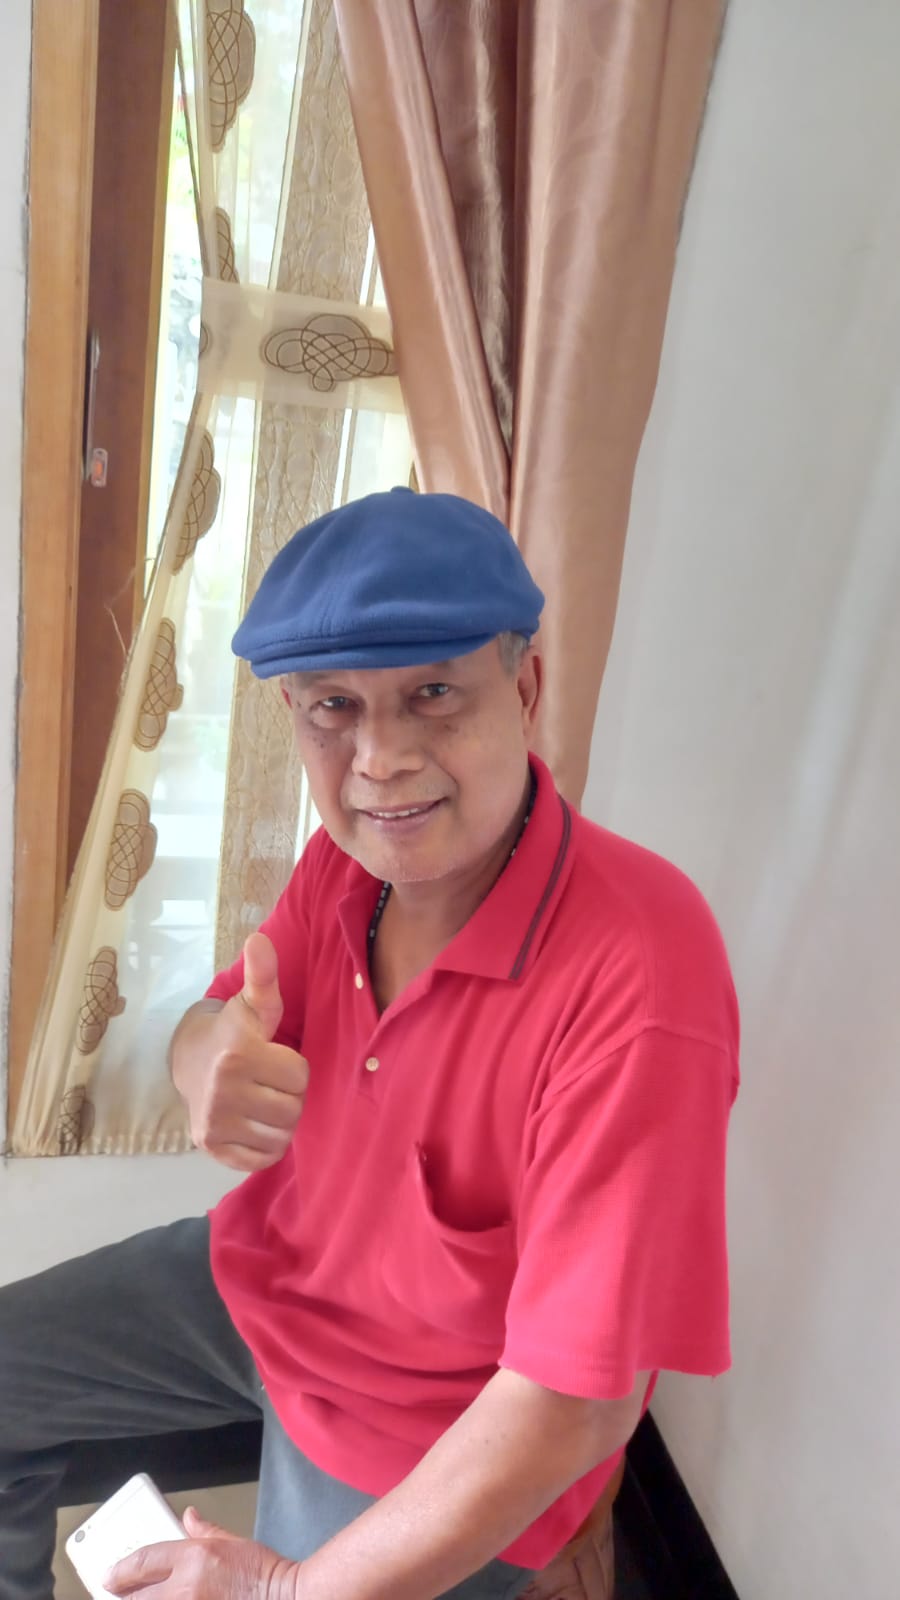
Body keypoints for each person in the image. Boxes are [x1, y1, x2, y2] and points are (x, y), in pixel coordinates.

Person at [0, 489, 739, 1600]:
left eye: (433, 694)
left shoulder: (641, 967)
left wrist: (285, 1590)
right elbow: (222, 1018)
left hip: (441, 1418)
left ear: (525, 690)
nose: (380, 758)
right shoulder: (349, 865)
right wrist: (204, 1059)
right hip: (269, 1282)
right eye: (334, 707)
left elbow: (573, 1404)